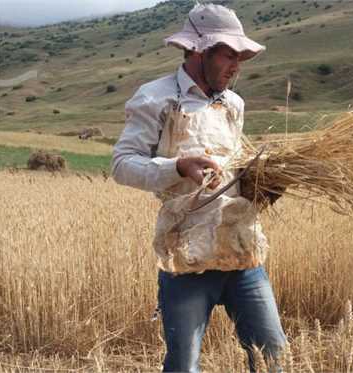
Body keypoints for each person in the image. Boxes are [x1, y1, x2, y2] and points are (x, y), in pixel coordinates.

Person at [111, 4, 286, 372]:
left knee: (273, 357)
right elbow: (122, 165)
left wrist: (260, 185)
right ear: (198, 51)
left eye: (242, 57)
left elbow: (232, 171)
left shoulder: (234, 104)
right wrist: (177, 166)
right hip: (186, 256)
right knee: (183, 365)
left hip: (241, 250)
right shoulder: (155, 98)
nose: (237, 65)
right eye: (229, 54)